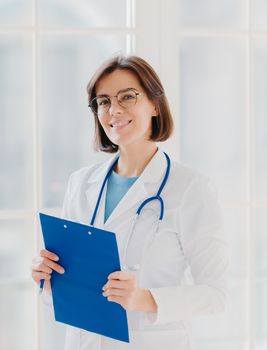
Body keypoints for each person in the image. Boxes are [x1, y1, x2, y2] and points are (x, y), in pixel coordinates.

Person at [31, 55, 229, 349]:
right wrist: (48, 278)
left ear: (154, 105)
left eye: (127, 97)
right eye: (103, 101)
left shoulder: (191, 188)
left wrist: (145, 299)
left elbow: (216, 295)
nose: (114, 110)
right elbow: (72, 287)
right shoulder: (81, 183)